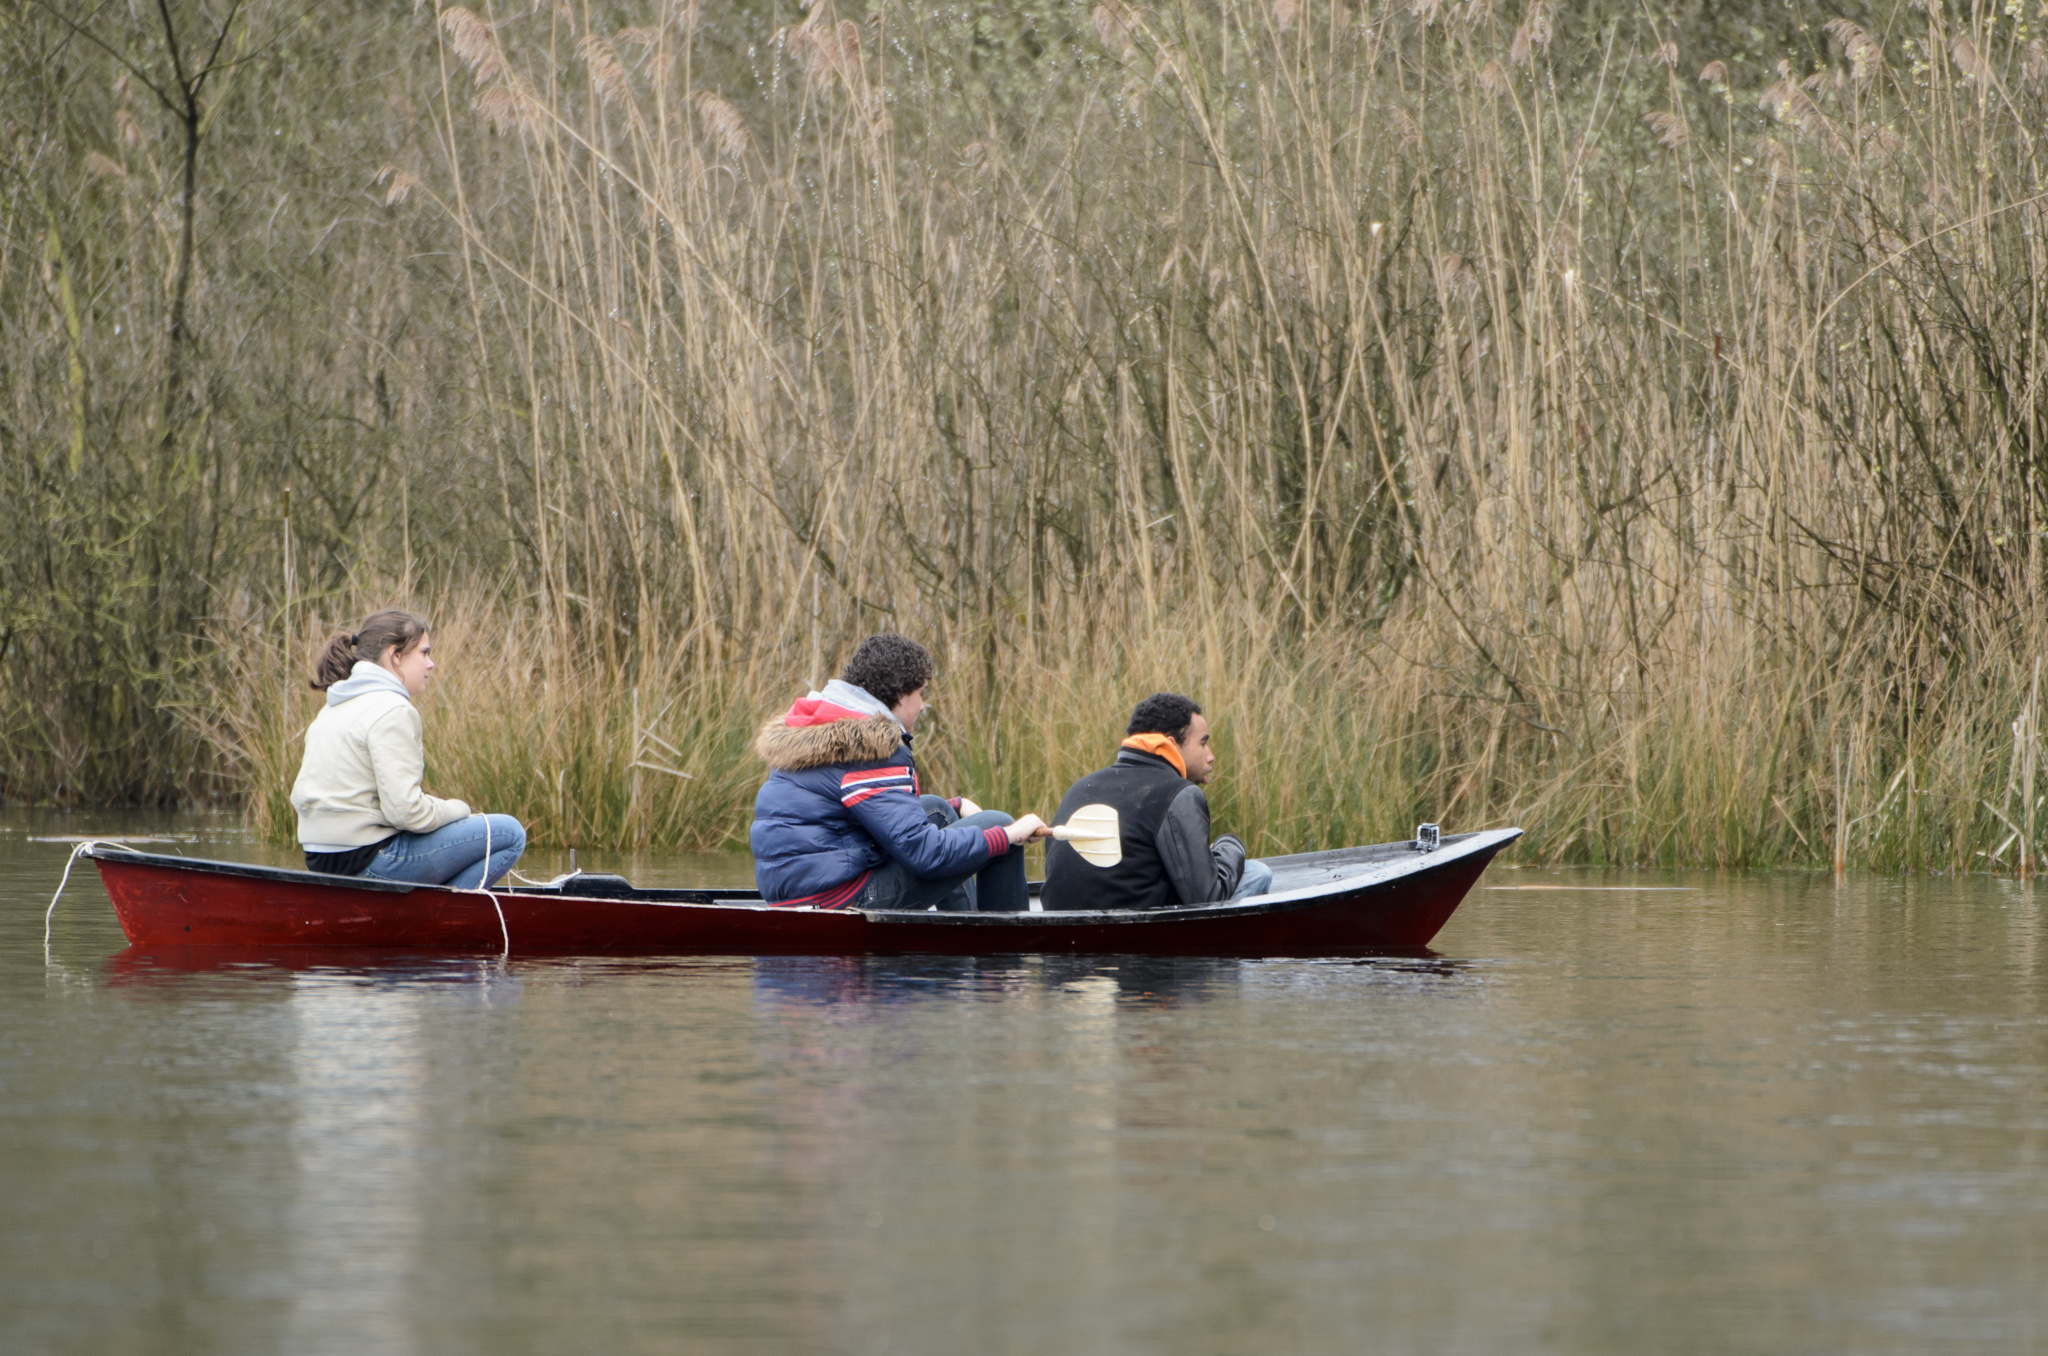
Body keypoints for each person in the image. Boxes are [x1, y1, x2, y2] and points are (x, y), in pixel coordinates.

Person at [750, 633, 1049, 911]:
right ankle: (1006, 946)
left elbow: (875, 816)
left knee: (937, 810)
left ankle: (964, 931)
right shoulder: (872, 747)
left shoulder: (826, 725)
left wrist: (957, 805)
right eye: (920, 693)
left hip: (797, 891)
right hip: (835, 899)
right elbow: (925, 855)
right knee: (998, 823)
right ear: (902, 694)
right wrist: (1008, 835)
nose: (923, 706)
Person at [290, 609, 526, 889]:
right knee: (510, 833)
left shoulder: (333, 707)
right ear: (396, 656)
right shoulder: (393, 709)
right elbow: (407, 813)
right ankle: (443, 914)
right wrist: (460, 810)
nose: (431, 664)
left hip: (320, 860)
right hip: (368, 861)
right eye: (424, 653)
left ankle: (427, 905)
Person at [1040, 692, 1273, 911]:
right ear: (1172, 744)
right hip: (1137, 931)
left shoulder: (1080, 787)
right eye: (1203, 743)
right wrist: (1230, 845)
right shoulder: (1178, 792)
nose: (1210, 755)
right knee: (1257, 872)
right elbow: (1208, 897)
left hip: (1066, 927)